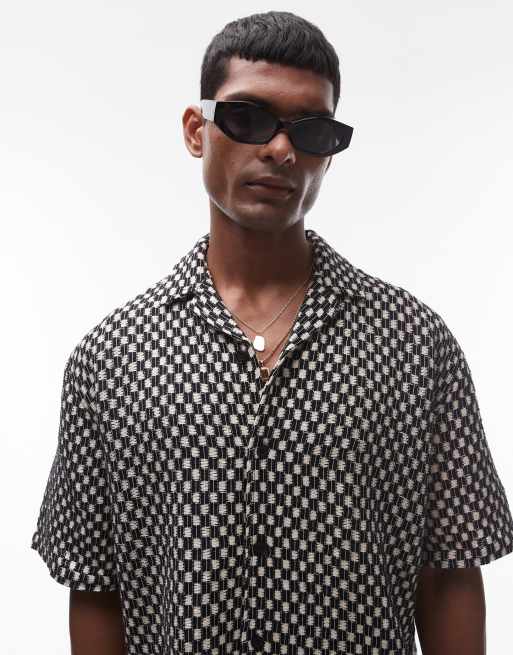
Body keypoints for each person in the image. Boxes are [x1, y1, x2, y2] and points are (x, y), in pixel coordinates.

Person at [30, 10, 513, 655]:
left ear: (329, 154)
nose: (281, 150)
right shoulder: (112, 358)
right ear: (197, 131)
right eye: (249, 117)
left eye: (311, 130)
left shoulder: (414, 345)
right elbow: (95, 588)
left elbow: (450, 575)